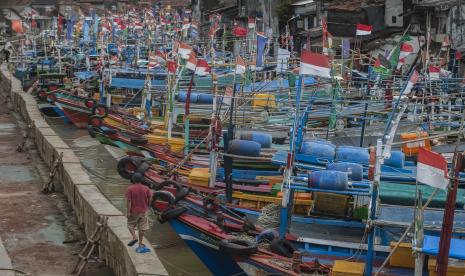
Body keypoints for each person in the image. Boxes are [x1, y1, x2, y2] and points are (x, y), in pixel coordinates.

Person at [125, 172, 153, 253]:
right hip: (144, 211)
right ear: (141, 179)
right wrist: (148, 206)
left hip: (134, 211)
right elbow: (150, 198)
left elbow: (129, 201)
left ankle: (134, 237)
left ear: (133, 179)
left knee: (130, 225)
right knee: (142, 228)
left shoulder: (130, 188)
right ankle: (140, 244)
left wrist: (128, 212)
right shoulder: (146, 188)